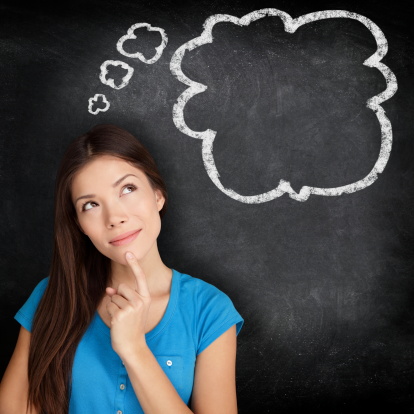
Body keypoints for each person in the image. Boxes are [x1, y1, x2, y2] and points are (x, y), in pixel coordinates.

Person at [0, 124, 243, 414]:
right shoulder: (50, 296)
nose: (114, 217)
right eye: (90, 204)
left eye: (127, 189)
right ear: (79, 225)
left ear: (158, 195)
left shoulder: (209, 309)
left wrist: (135, 349)